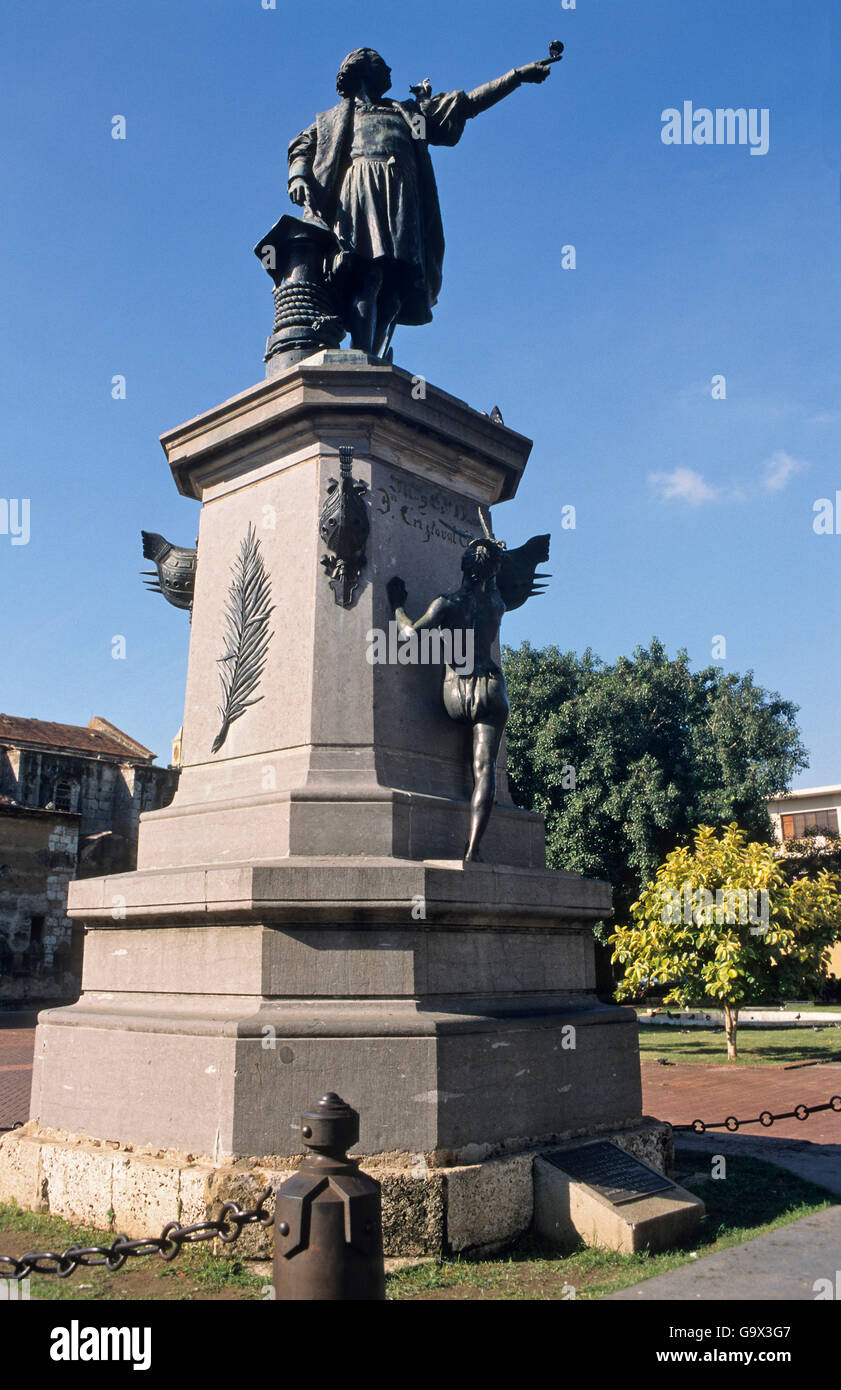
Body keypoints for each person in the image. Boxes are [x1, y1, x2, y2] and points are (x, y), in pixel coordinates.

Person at [287, 47, 559, 356]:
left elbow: (465, 105)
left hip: (402, 196)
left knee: (396, 284)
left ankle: (370, 358)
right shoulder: (334, 119)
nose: (390, 70)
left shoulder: (407, 112)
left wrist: (516, 77)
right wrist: (297, 176)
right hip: (360, 188)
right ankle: (361, 354)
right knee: (368, 272)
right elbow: (303, 146)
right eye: (381, 65)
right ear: (363, 72)